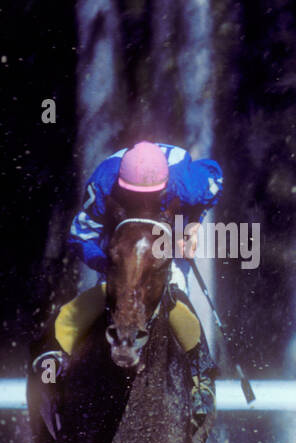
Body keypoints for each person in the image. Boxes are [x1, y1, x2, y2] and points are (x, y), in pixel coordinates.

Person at [33, 141, 223, 420]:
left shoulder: (186, 183)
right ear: (121, 186)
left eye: (150, 196)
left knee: (176, 292)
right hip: (120, 249)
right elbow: (79, 235)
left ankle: (201, 377)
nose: (143, 202)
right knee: (107, 294)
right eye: (134, 196)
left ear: (166, 186)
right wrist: (113, 265)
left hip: (163, 245)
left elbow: (215, 177)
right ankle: (53, 354)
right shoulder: (102, 184)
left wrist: (193, 225)